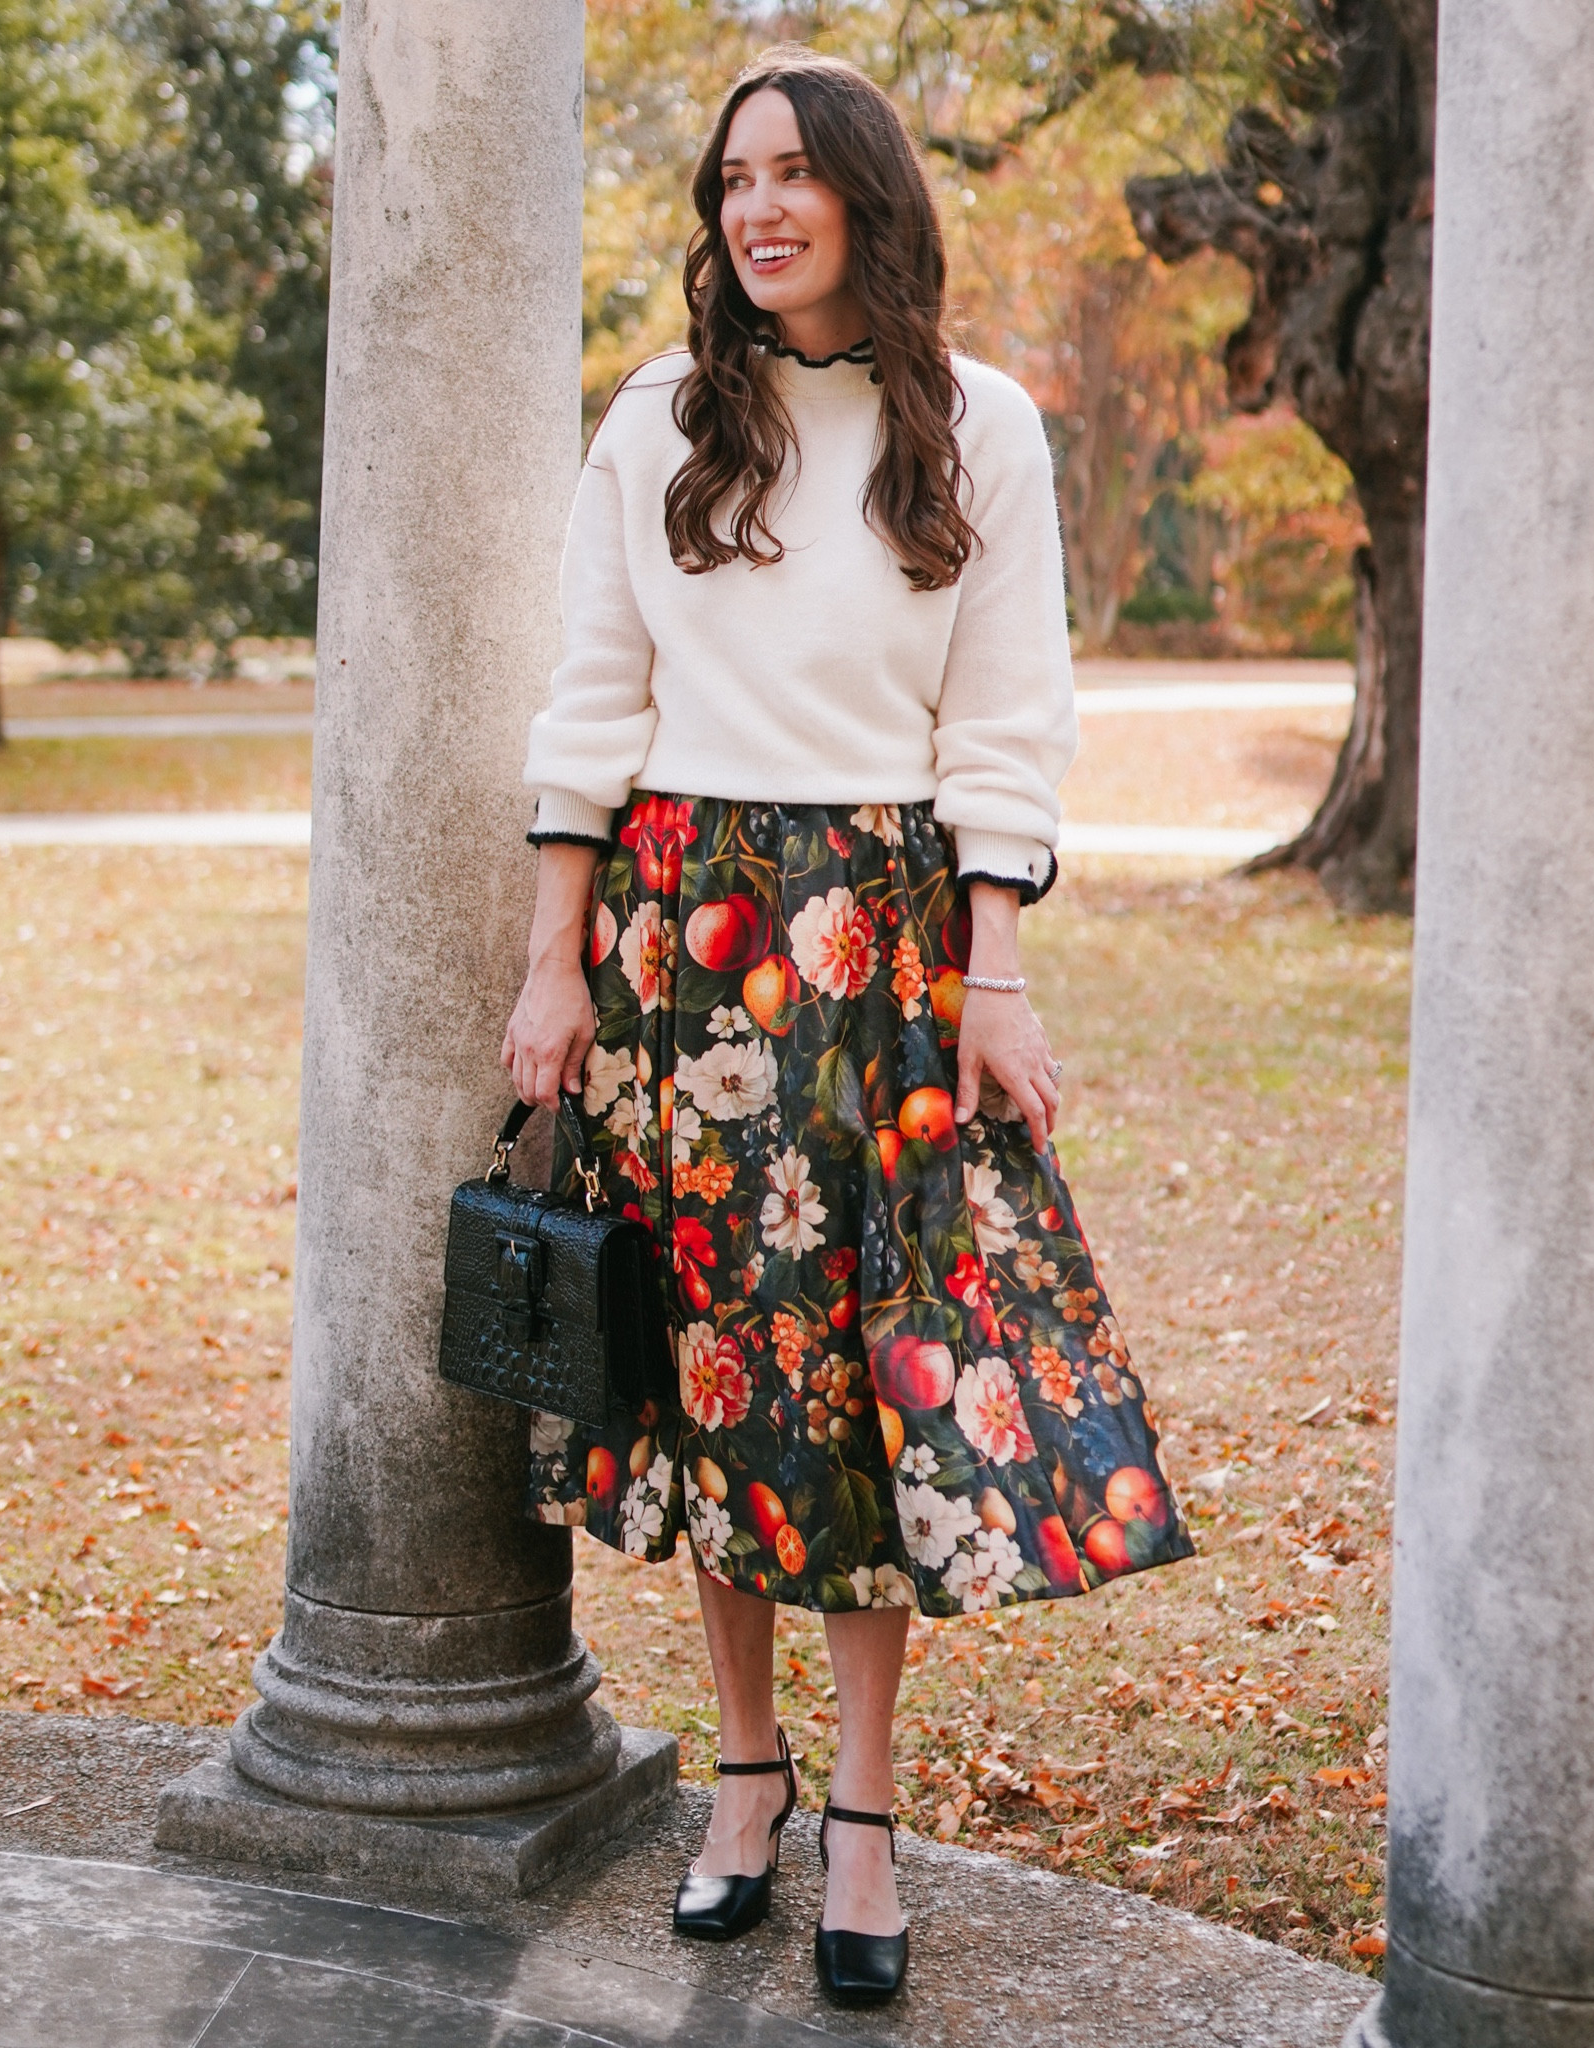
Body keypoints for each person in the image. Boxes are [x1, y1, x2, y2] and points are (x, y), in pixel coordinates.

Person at [502, 46, 1192, 2009]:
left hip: (882, 947)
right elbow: (590, 701)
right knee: (722, 1376)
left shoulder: (979, 425)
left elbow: (1005, 729)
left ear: (868, 194)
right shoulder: (657, 421)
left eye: (797, 172)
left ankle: (868, 1814)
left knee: (870, 1388)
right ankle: (743, 1780)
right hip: (682, 944)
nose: (758, 207)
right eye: (734, 179)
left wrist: (998, 971)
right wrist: (555, 963)